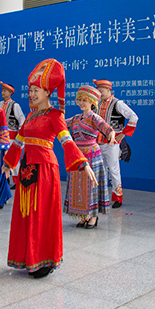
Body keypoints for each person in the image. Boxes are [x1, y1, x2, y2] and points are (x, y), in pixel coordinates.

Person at [1, 59, 96, 279]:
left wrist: (82, 163)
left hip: (44, 170)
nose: (32, 94)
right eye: (31, 90)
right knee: (26, 214)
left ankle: (44, 260)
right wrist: (8, 163)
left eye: (36, 90)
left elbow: (67, 141)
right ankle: (28, 257)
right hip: (27, 170)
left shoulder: (55, 116)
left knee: (42, 214)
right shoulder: (31, 116)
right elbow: (19, 142)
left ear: (47, 92)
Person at [64, 85, 115, 228]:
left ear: (92, 102)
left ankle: (93, 216)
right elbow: (61, 124)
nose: (81, 103)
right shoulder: (75, 118)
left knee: (91, 186)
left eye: (84, 100)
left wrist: (111, 135)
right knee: (78, 186)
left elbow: (108, 129)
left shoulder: (94, 118)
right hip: (77, 156)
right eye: (79, 100)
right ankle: (82, 215)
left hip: (92, 155)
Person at [93, 79, 139, 209]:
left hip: (112, 143)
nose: (99, 94)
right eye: (98, 91)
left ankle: (118, 197)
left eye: (101, 91)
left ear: (108, 90)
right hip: (97, 142)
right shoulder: (96, 103)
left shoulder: (117, 104)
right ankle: (101, 197)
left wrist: (124, 133)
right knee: (100, 170)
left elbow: (134, 116)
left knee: (113, 170)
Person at [0, 82, 25, 187]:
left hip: (11, 137)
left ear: (10, 92)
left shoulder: (15, 105)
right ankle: (4, 179)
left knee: (12, 159)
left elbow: (22, 120)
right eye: (2, 90)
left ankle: (16, 181)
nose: (3, 92)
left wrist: (20, 135)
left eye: (5, 91)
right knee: (1, 158)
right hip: (0, 137)